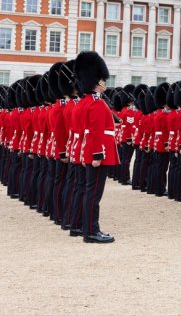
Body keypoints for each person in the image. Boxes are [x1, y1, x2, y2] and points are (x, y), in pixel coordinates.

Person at [75, 51, 118, 243]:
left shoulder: (85, 102)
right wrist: (97, 155)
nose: (104, 82)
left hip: (91, 152)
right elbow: (95, 132)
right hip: (98, 155)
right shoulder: (96, 104)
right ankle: (92, 231)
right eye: (102, 79)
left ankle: (88, 228)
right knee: (94, 194)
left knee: (89, 191)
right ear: (97, 81)